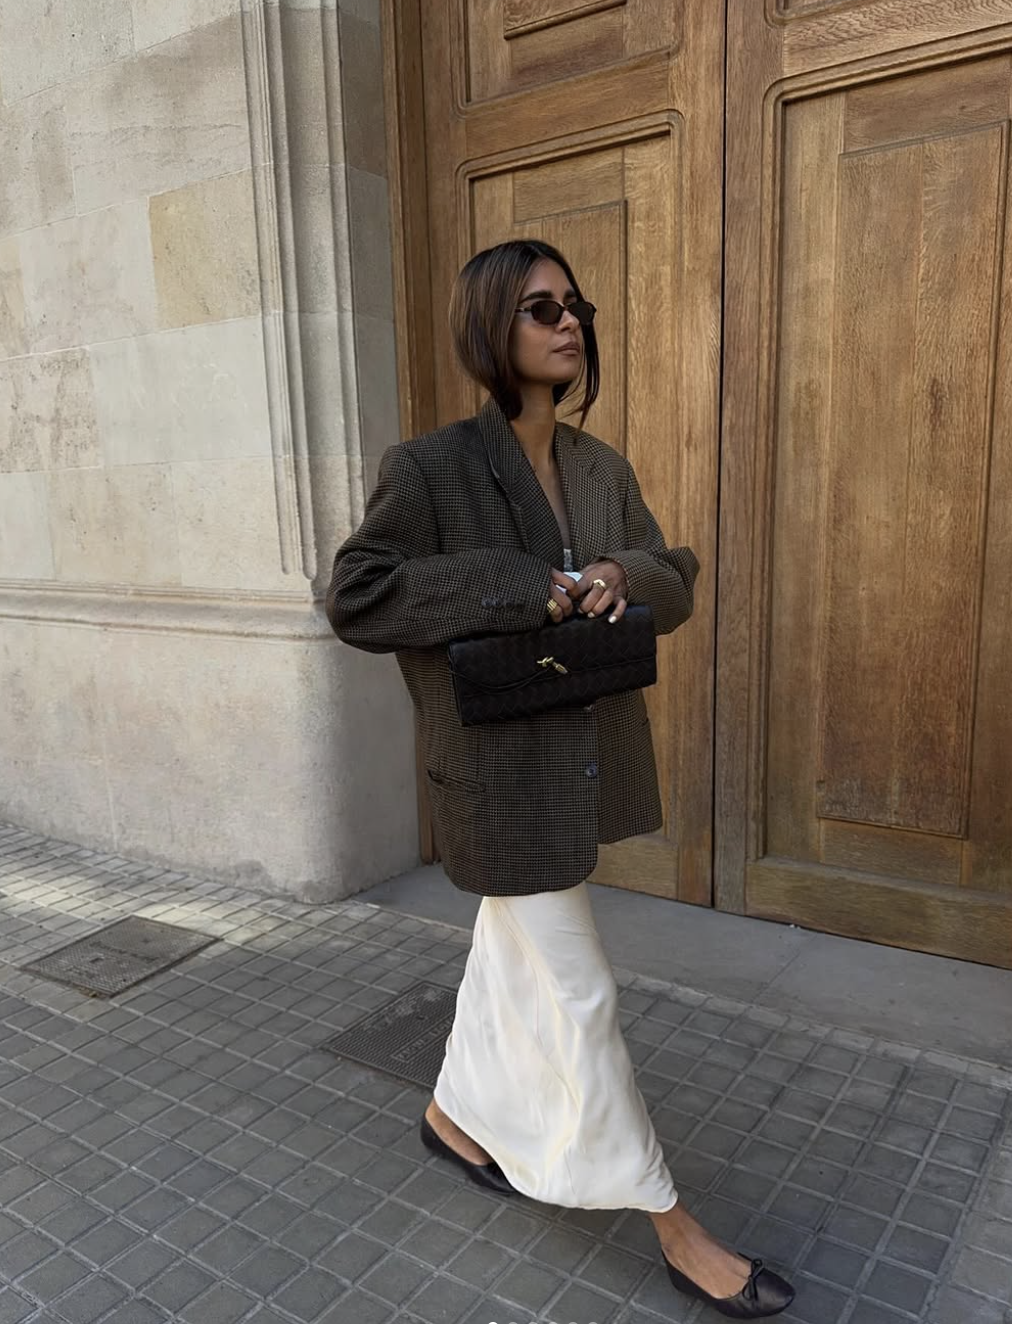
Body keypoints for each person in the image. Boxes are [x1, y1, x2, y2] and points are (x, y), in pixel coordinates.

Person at [326, 239, 794, 1319]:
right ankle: (674, 1225)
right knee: (580, 992)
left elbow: (672, 579)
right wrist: (514, 586)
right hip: (497, 774)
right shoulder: (431, 466)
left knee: (509, 956)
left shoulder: (599, 465)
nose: (567, 321)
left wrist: (615, 577)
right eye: (541, 307)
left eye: (573, 304)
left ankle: (452, 1115)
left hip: (577, 759)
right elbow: (359, 594)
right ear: (492, 325)